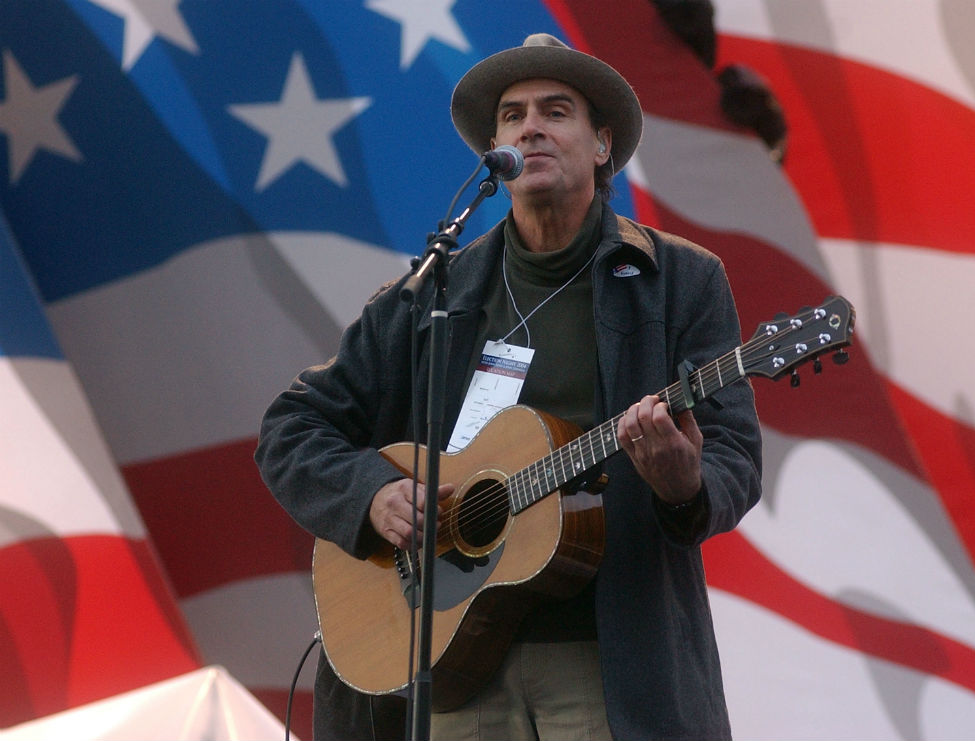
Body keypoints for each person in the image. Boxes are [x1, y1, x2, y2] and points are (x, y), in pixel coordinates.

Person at [256, 33, 762, 741]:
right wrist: (370, 492)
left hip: (612, 662)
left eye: (556, 111)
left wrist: (685, 484)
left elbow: (733, 451)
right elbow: (292, 426)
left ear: (602, 145)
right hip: (453, 669)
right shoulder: (431, 294)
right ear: (495, 149)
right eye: (513, 115)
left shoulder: (679, 280)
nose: (531, 127)